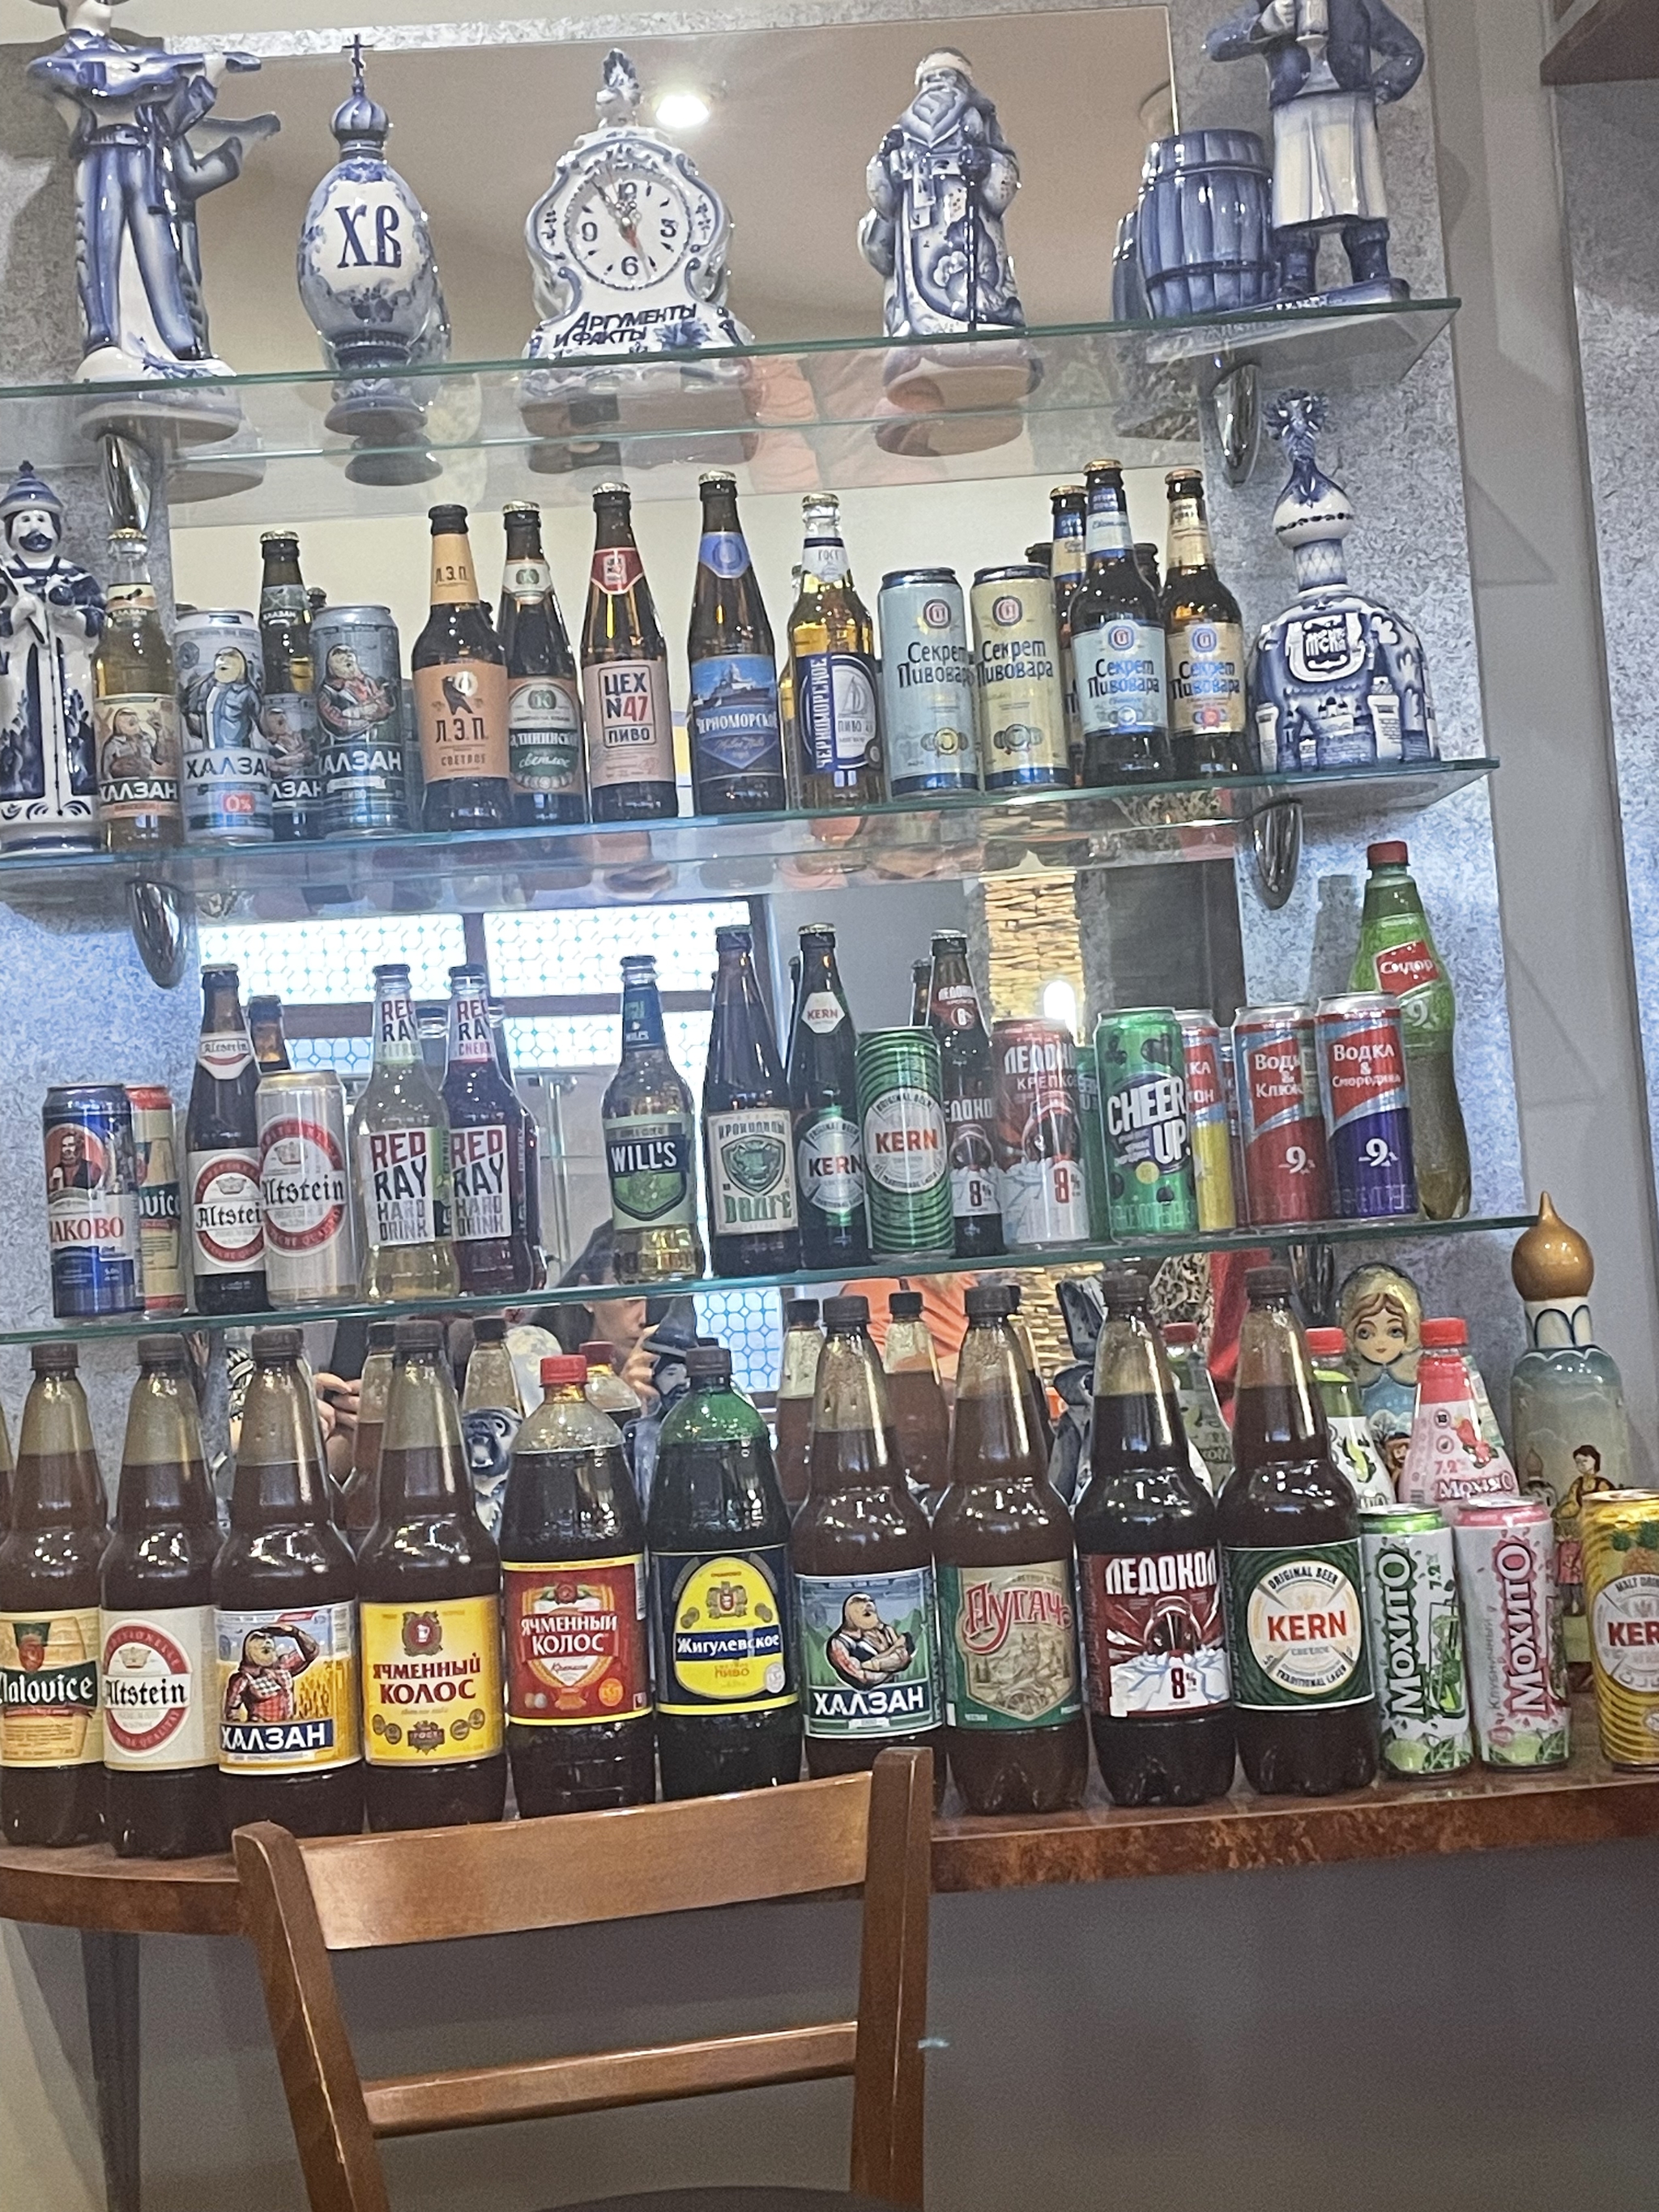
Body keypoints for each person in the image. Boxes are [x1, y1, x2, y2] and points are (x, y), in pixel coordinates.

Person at [1205, 0, 1424, 300]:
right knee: (1296, 202)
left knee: (1362, 198)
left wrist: (1380, 89)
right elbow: (1216, 44)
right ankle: (1296, 279)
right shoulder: (1269, 4)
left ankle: (1372, 271)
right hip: (1294, 114)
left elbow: (1409, 51)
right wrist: (1263, 25)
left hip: (1349, 109)